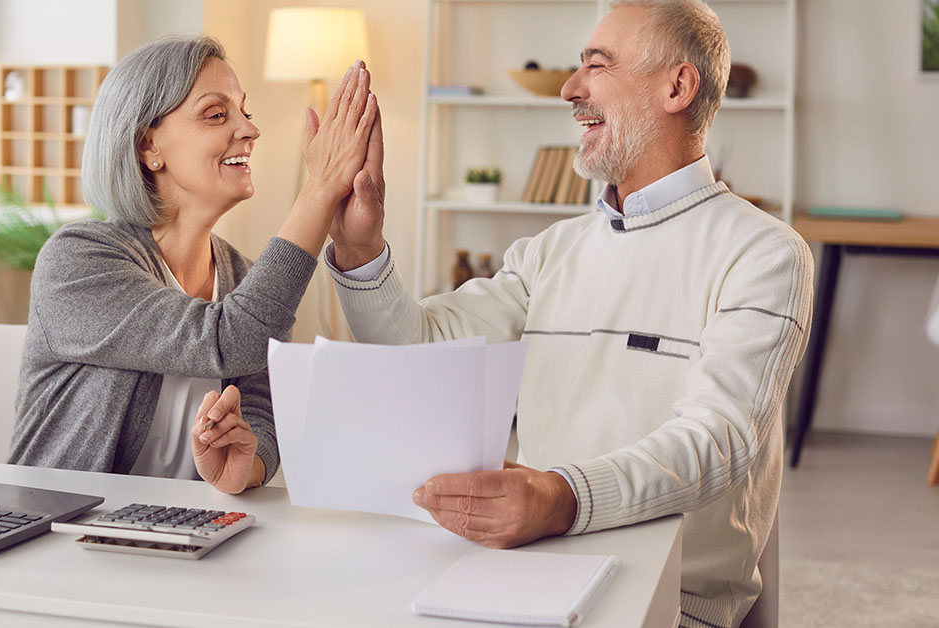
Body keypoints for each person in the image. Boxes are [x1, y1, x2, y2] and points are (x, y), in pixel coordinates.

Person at [325, 1, 812, 626]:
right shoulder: (549, 250)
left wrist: (561, 499)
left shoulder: (765, 253)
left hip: (672, 599)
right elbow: (423, 348)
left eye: (596, 65)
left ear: (677, 86)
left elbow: (717, 440)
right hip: (525, 570)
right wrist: (361, 248)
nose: (569, 89)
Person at [9, 36, 380, 495]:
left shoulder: (243, 278)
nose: (249, 130)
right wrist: (319, 192)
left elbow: (261, 409)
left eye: (246, 112)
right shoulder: (78, 261)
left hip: (182, 535)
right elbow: (228, 339)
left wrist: (248, 462)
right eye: (217, 114)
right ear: (149, 146)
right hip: (59, 536)